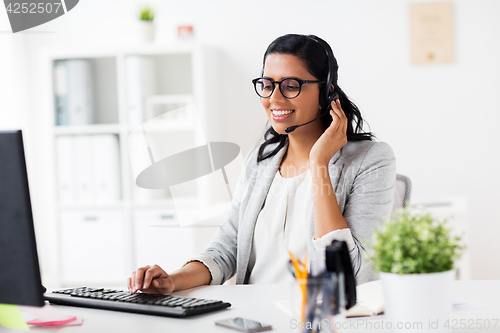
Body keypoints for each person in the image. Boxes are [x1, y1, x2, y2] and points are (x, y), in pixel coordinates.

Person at [127, 34, 396, 294]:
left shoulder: (370, 160)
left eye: (291, 85)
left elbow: (355, 272)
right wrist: (172, 281)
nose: (274, 99)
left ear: (326, 92)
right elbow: (226, 249)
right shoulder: (259, 162)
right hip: (253, 317)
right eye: (268, 85)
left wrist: (319, 163)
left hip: (318, 317)